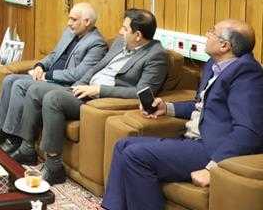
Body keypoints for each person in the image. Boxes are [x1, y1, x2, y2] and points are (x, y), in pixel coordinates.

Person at [102, 19, 263, 210]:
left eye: (212, 31)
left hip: (212, 148)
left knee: (136, 156)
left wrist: (212, 167)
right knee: (122, 145)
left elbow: (248, 130)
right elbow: (204, 106)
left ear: (224, 46)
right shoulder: (214, 64)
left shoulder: (247, 74)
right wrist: (167, 108)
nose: (207, 34)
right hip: (193, 140)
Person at [12, 9, 168, 185]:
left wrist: (98, 90)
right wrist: (78, 84)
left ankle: (54, 166)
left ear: (138, 35)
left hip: (99, 100)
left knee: (53, 99)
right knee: (35, 89)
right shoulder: (120, 42)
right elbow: (97, 67)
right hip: (84, 88)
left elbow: (140, 92)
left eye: (125, 29)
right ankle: (27, 149)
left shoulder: (156, 56)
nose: (120, 31)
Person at [0, 3, 107, 154]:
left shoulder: (97, 44)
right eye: (69, 19)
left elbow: (78, 74)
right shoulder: (69, 33)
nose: (69, 23)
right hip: (48, 77)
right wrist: (40, 66)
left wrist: (48, 75)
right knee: (9, 80)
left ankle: (14, 137)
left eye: (73, 20)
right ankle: (2, 130)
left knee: (20, 85)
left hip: (64, 85)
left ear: (87, 21)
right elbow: (53, 55)